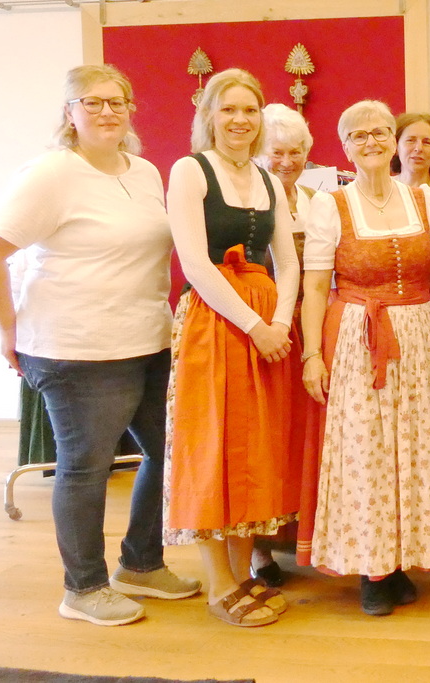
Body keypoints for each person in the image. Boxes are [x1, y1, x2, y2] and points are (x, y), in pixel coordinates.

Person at [0, 64, 200, 626]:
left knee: (169, 453)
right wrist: (8, 327)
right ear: (69, 113)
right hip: (77, 350)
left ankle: (141, 565)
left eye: (117, 101)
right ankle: (84, 588)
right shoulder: (51, 174)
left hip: (147, 339)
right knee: (85, 469)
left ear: (130, 110)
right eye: (91, 102)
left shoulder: (144, 172)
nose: (106, 111)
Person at [298, 100, 430, 617]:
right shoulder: (331, 205)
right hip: (357, 337)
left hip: (417, 333)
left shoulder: (423, 199)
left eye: (380, 132)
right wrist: (311, 355)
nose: (371, 141)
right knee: (366, 447)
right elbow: (315, 285)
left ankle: (403, 557)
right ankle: (373, 567)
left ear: (394, 140)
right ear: (344, 147)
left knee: (414, 445)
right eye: (359, 135)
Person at [165, 68, 300, 628]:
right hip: (215, 321)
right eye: (229, 109)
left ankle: (243, 574)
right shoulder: (190, 171)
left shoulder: (268, 179)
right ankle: (218, 583)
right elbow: (195, 264)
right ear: (209, 116)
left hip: (266, 324)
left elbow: (287, 259)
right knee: (213, 445)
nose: (240, 120)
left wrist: (281, 322)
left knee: (255, 449)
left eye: (249, 110)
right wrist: (254, 325)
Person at [248, 102, 316, 588]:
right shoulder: (249, 202)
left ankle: (304, 534)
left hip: (310, 329)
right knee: (267, 437)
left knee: (303, 439)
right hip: (268, 328)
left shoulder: (317, 200)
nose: (287, 161)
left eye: (296, 152)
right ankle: (259, 548)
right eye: (277, 152)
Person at [391, 112, 430, 213]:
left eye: (426, 142)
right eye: (411, 140)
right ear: (396, 146)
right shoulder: (380, 191)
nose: (419, 148)